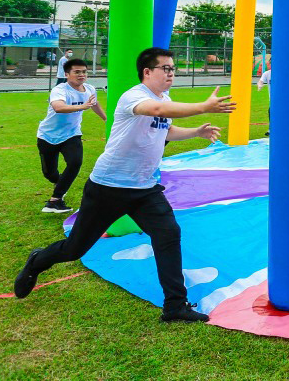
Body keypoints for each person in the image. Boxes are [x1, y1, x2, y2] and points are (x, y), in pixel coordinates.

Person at [14, 47, 235, 323]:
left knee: (168, 235)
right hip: (108, 188)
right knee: (74, 249)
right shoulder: (135, 96)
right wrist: (203, 106)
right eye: (165, 68)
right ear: (147, 72)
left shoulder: (165, 98)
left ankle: (175, 306)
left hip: (145, 189)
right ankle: (36, 261)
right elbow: (155, 110)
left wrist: (196, 132)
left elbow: (165, 128)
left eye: (173, 69)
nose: (171, 73)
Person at [36, 57, 106, 213]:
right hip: (47, 135)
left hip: (72, 134)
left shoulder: (90, 89)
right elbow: (58, 107)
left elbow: (94, 104)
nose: (82, 75)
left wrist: (106, 119)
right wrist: (82, 106)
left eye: (84, 72)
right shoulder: (60, 89)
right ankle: (59, 183)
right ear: (67, 74)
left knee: (75, 162)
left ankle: (55, 201)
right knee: (49, 173)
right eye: (77, 72)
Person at [256, 64, 271, 136]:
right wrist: (259, 85)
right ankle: (271, 129)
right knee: (271, 112)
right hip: (273, 100)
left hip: (283, 98)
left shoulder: (282, 73)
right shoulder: (267, 73)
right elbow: (260, 81)